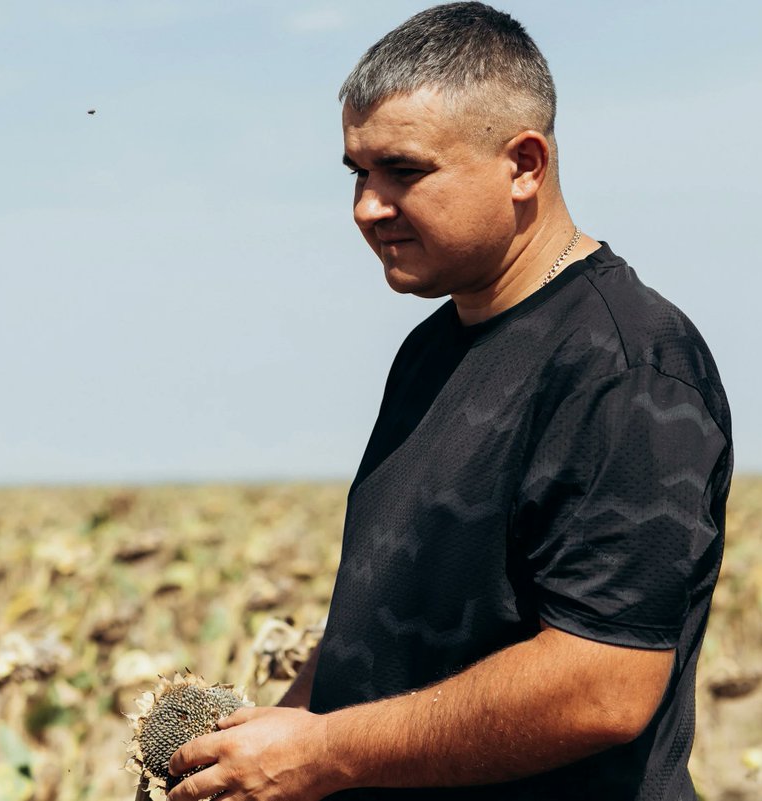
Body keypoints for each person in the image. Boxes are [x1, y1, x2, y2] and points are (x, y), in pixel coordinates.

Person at [167, 3, 733, 799]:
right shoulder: (433, 348)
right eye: (357, 172)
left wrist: (325, 751)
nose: (367, 205)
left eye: (404, 170)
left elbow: (604, 680)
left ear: (525, 164)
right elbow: (388, 612)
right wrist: (271, 741)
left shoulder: (625, 364)